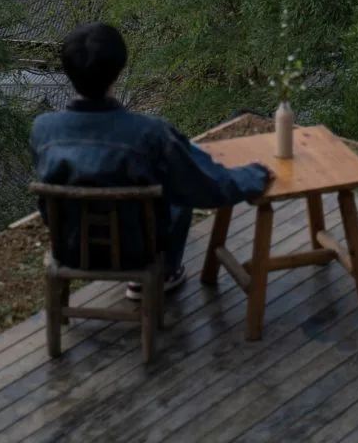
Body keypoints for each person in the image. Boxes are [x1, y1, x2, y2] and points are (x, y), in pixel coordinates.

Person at [31, 22, 271, 298]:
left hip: (71, 248)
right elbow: (205, 187)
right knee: (176, 188)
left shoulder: (44, 129)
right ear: (118, 72)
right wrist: (255, 174)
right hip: (136, 251)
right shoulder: (149, 133)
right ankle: (164, 272)